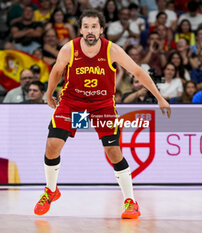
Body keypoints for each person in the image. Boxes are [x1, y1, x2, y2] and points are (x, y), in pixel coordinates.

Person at [34, 9, 171, 219]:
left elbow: (138, 71)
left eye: (94, 27)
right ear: (80, 29)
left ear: (101, 29)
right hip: (73, 102)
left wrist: (159, 97)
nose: (90, 31)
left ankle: (131, 202)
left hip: (101, 104)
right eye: (86, 26)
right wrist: (49, 94)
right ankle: (51, 190)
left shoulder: (112, 50)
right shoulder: (69, 49)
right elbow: (56, 71)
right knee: (52, 145)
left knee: (113, 150)